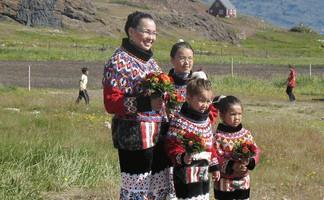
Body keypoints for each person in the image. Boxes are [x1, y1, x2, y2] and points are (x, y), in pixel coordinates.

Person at [102, 11, 169, 199]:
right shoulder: (118, 62)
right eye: (147, 32)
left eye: (154, 33)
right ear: (131, 32)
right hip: (134, 137)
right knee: (137, 188)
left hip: (157, 135)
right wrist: (147, 103)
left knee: (157, 186)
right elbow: (111, 103)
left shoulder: (151, 62)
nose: (151, 38)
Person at [165, 77, 220, 200]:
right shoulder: (179, 121)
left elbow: (210, 146)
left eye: (208, 101)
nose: (205, 105)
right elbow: (171, 146)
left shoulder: (206, 122)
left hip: (203, 173)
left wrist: (215, 167)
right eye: (201, 100)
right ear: (188, 98)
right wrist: (183, 156)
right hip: (185, 173)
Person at [213, 95, 261, 200]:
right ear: (222, 115)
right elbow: (215, 158)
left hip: (243, 182)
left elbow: (256, 150)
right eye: (233, 114)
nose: (237, 117)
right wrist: (232, 165)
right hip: (225, 184)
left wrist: (249, 162)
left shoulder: (246, 134)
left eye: (239, 114)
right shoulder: (218, 137)